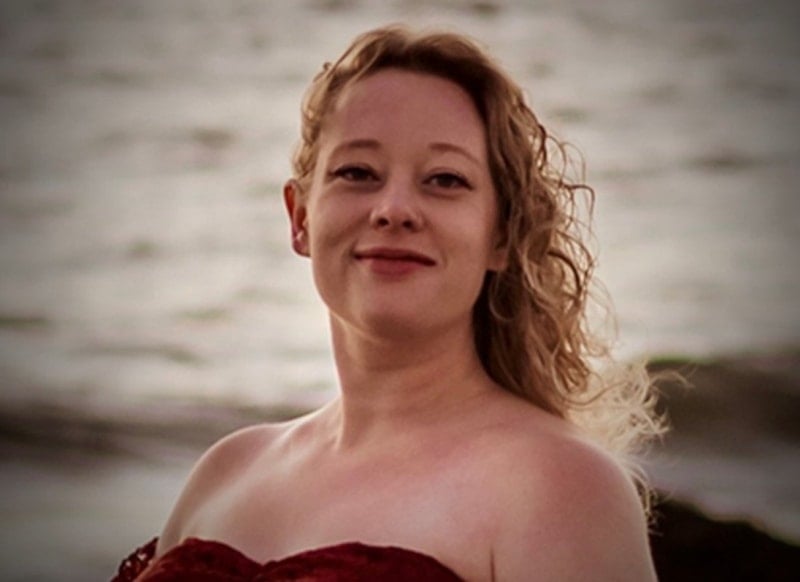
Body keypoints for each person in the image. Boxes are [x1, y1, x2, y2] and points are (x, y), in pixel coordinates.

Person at [114, 25, 662, 581]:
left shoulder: (559, 486)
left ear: (501, 234)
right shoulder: (226, 472)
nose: (394, 209)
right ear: (300, 218)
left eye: (445, 179)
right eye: (357, 173)